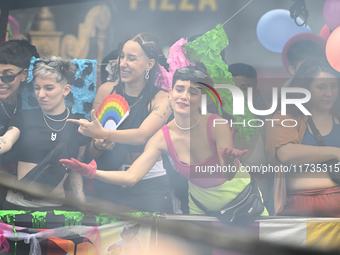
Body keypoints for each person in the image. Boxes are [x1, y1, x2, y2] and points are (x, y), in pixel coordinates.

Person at [62, 65, 268, 216]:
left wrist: (230, 161)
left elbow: (228, 174)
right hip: (201, 209)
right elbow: (132, 177)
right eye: (179, 89)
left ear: (202, 99)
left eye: (193, 92)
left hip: (243, 204)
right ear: (170, 94)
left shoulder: (217, 124)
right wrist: (90, 172)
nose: (184, 96)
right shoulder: (162, 137)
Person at [71, 32, 173, 213]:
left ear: (149, 64)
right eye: (122, 56)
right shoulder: (106, 91)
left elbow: (141, 136)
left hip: (149, 185)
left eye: (132, 58)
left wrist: (105, 133)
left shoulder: (163, 99)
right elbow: (91, 152)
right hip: (109, 181)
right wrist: (100, 145)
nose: (123, 63)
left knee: (150, 240)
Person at [0, 56, 90, 210]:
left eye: (48, 88)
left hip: (55, 209)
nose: (41, 94)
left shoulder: (79, 124)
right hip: (17, 207)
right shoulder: (25, 117)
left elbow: (76, 169)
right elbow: (7, 140)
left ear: (66, 90)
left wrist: (83, 205)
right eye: (37, 87)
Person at [266, 59, 340, 216]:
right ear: (305, 89)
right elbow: (286, 153)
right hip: (297, 205)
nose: (329, 93)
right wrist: (335, 152)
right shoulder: (285, 115)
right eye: (321, 87)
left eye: (334, 86)